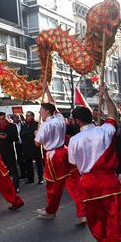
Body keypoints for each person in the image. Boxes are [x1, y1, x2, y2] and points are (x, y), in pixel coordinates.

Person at [68, 86, 121, 242]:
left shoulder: (74, 140)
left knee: (96, 221)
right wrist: (107, 96)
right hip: (109, 182)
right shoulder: (105, 130)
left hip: (88, 184)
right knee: (114, 220)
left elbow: (73, 162)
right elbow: (114, 115)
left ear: (77, 121)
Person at [34, 96, 86, 226]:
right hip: (65, 151)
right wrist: (47, 91)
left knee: (53, 186)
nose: (39, 112)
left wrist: (36, 134)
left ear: (46, 111)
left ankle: (50, 210)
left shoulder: (45, 125)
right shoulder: (60, 118)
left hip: (54, 156)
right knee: (73, 183)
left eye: (41, 110)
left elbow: (37, 143)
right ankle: (82, 213)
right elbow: (54, 105)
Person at [0, 112, 20, 191]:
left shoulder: (12, 126)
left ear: (6, 118)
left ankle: (16, 187)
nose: (1, 121)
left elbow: (16, 138)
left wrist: (6, 137)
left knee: (13, 169)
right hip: (0, 150)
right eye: (0, 119)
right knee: (2, 170)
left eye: (3, 119)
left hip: (10, 150)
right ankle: (4, 186)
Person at [20, 111, 44, 185]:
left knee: (38, 163)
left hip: (35, 146)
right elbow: (22, 133)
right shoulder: (24, 124)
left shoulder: (37, 124)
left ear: (32, 116)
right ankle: (30, 178)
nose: (27, 117)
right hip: (26, 146)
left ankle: (40, 178)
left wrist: (29, 134)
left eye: (29, 116)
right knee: (28, 163)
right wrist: (29, 134)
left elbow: (36, 133)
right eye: (26, 116)